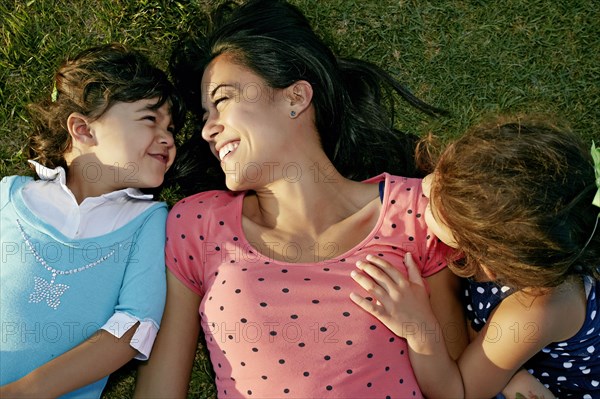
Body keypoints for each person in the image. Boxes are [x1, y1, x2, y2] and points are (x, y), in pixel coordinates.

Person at [134, 0, 467, 398]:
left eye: (222, 101)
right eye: (205, 115)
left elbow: (460, 385)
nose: (208, 130)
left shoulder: (417, 216)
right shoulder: (198, 225)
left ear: (296, 97)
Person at [350, 117, 600, 398]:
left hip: (552, 387)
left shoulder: (533, 310)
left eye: (437, 205)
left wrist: (419, 328)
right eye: (443, 173)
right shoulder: (521, 227)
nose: (426, 186)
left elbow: (458, 393)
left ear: (487, 256)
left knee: (519, 388)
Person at [0, 43, 183, 398]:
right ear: (83, 130)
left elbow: (133, 326)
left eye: (172, 128)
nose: (168, 139)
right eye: (150, 119)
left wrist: (24, 393)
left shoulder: (148, 220)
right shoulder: (9, 196)